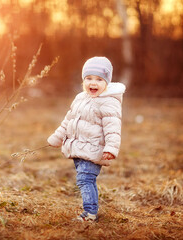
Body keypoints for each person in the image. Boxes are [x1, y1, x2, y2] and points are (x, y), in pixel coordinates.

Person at [47, 56, 126, 222]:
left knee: (85, 179)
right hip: (79, 149)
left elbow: (113, 128)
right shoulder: (80, 98)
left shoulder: (108, 102)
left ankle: (90, 213)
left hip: (94, 149)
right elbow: (68, 120)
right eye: (89, 78)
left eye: (99, 79)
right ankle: (92, 211)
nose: (93, 83)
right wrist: (57, 137)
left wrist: (111, 149)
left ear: (107, 82)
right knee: (86, 179)